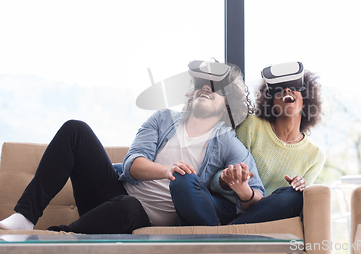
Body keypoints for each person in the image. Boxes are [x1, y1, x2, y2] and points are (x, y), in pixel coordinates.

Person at [0, 61, 265, 233]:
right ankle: (25, 217)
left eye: (216, 88)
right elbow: (132, 164)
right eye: (201, 84)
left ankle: (58, 236)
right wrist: (166, 170)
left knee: (128, 207)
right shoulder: (162, 119)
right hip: (110, 194)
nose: (205, 87)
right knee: (75, 129)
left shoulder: (228, 143)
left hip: (142, 218)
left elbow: (257, 195)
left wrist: (243, 190)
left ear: (228, 104)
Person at [211, 61, 325, 224]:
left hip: (268, 214)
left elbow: (297, 207)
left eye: (293, 86)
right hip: (232, 208)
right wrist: (226, 178)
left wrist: (299, 186)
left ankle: (231, 232)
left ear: (306, 100)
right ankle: (234, 231)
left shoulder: (315, 156)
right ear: (271, 101)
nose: (286, 90)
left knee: (295, 196)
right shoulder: (251, 125)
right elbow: (214, 182)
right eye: (278, 89)